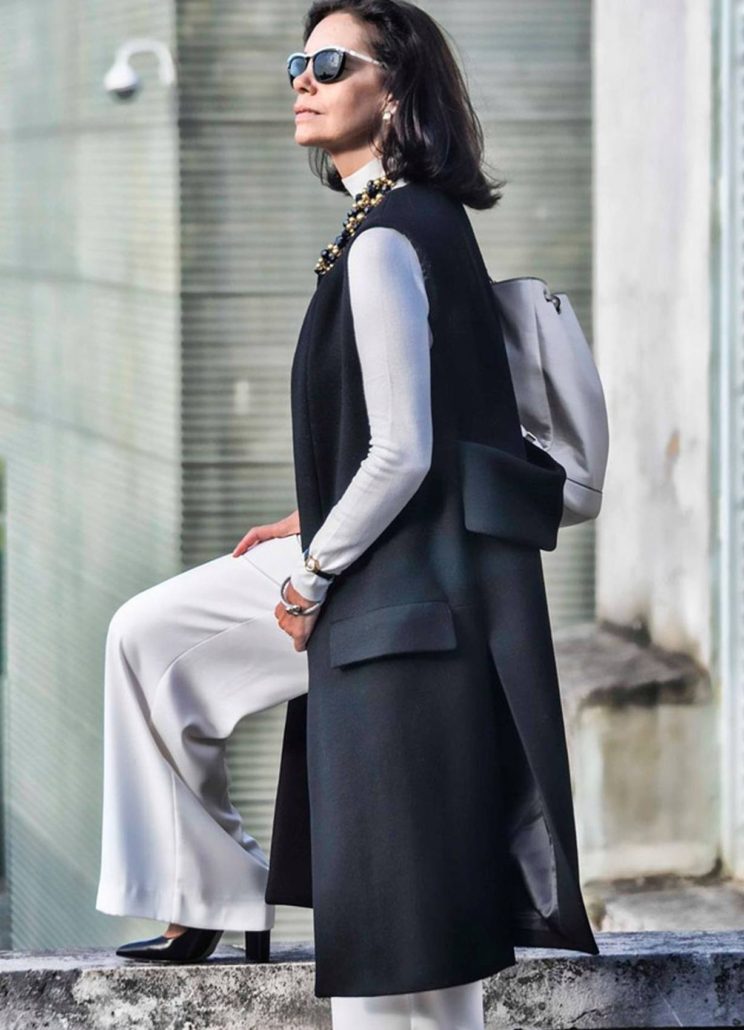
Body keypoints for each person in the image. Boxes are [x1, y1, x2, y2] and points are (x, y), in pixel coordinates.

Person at [96, 2, 599, 1027]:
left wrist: (314, 571)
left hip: (386, 592)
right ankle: (204, 893)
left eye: (330, 63)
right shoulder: (420, 224)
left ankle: (205, 891)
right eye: (300, 61)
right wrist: (313, 514)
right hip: (414, 572)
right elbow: (430, 427)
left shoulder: (386, 241)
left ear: (396, 89)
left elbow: (404, 448)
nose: (303, 78)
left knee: (405, 973)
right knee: (148, 640)